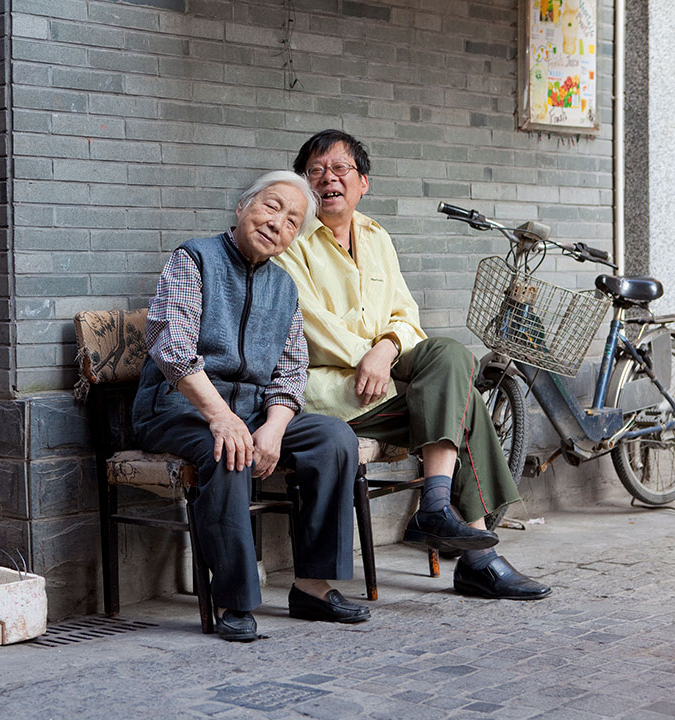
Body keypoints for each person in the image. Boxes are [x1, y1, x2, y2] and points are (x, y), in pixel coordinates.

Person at [273, 130, 551, 601]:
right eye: (316, 172)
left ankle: (437, 504)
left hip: (386, 372)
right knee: (462, 403)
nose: (327, 180)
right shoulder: (291, 240)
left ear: (364, 183)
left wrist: (384, 351)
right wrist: (371, 357)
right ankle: (477, 558)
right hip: (336, 393)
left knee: (452, 355)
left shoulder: (376, 237)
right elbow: (306, 323)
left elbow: (405, 316)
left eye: (340, 170)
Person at [132, 170, 371, 642]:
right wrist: (221, 417)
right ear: (243, 207)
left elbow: (292, 371)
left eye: (292, 221)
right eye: (271, 206)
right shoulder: (194, 259)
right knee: (227, 450)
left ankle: (311, 586)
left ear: (292, 240)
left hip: (254, 410)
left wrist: (275, 427)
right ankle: (234, 600)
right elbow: (171, 345)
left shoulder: (284, 288)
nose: (277, 223)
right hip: (179, 408)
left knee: (334, 438)